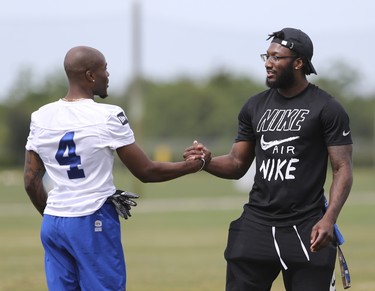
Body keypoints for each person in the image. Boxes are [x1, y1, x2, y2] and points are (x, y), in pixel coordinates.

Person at [23, 46, 208, 291]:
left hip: (53, 222)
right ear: (90, 76)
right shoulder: (108, 116)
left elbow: (30, 180)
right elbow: (146, 171)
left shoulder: (41, 116)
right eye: (104, 69)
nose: (108, 75)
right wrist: (192, 166)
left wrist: (55, 213)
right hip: (92, 218)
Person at [184, 28, 353, 291]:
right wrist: (206, 161)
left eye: (277, 57)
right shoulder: (254, 106)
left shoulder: (327, 108)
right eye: (267, 56)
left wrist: (329, 219)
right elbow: (238, 164)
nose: (268, 63)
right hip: (256, 225)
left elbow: (342, 168)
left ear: (298, 63)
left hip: (306, 228)